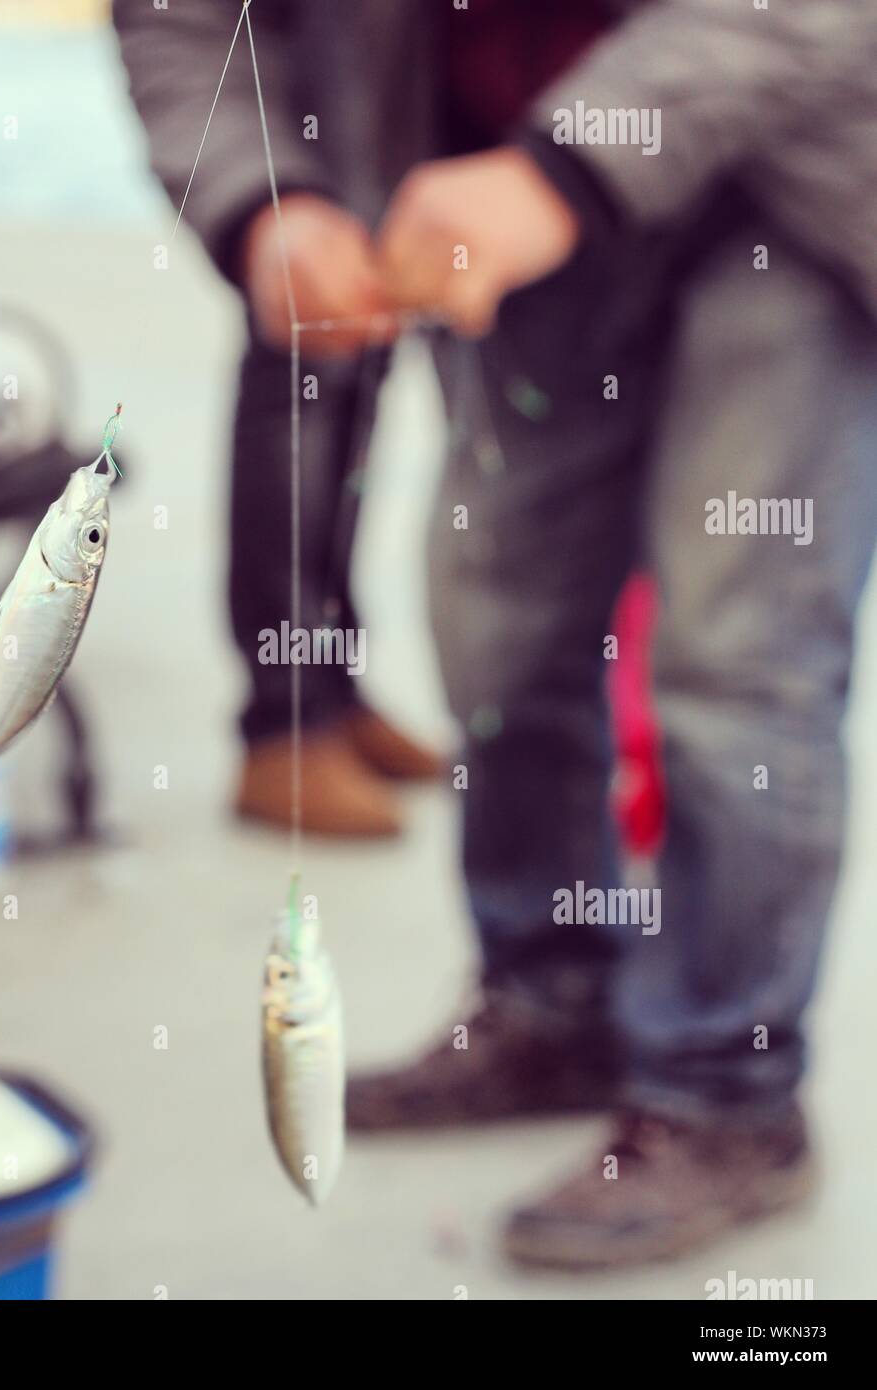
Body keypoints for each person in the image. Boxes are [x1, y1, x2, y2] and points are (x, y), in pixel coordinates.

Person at [115, 0, 877, 1268]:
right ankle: (554, 995)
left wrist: (568, 161)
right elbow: (180, 16)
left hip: (784, 184)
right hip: (493, 193)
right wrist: (266, 199)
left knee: (733, 666)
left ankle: (726, 1092)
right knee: (498, 623)